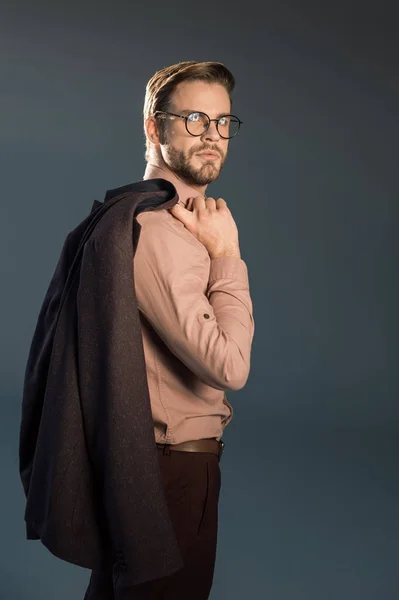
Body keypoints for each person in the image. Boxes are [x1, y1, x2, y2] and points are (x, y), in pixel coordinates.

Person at [82, 60, 255, 599]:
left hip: (157, 469)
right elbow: (230, 366)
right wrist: (227, 255)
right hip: (170, 475)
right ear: (154, 127)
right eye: (196, 119)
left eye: (224, 122)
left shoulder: (162, 220)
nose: (213, 137)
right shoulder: (161, 232)